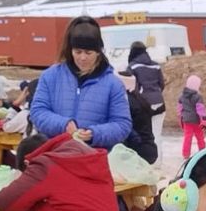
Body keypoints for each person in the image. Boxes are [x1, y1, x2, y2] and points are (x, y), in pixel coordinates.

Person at [30, 16, 132, 149]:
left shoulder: (113, 84)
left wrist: (95, 134)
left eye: (88, 53)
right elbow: (37, 112)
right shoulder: (50, 76)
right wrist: (63, 124)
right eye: (77, 52)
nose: (82, 58)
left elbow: (122, 124)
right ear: (70, 50)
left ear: (98, 52)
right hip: (55, 155)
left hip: (93, 159)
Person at [125, 41, 166, 165]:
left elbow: (132, 86)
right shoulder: (156, 66)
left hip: (142, 105)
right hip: (159, 102)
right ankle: (158, 163)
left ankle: (148, 164)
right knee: (157, 133)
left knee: (146, 135)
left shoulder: (132, 67)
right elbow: (161, 83)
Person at [120, 74, 159, 164]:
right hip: (149, 148)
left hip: (137, 150)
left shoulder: (125, 103)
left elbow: (126, 130)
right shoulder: (140, 99)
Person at [177, 75, 206, 158]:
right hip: (196, 121)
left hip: (186, 120)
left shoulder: (182, 96)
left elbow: (180, 109)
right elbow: (200, 109)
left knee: (187, 138)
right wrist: (204, 120)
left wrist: (180, 118)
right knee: (200, 137)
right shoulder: (197, 97)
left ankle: (186, 154)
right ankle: (203, 153)